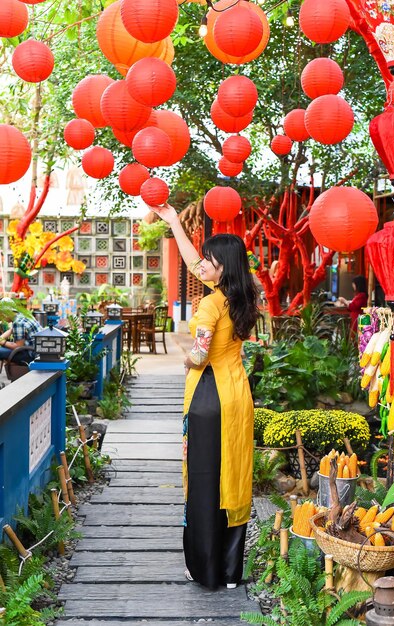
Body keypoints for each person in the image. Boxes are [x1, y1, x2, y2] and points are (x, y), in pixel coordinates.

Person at [147, 202, 258, 590]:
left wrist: (186, 362)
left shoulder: (211, 303)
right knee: (233, 478)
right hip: (237, 395)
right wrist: (174, 220)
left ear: (222, 266)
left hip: (209, 397)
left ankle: (202, 566)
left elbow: (199, 353)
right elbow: (193, 262)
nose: (202, 266)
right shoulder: (241, 295)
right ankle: (229, 572)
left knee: (204, 479)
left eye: (209, 260)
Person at [0, 299, 43, 365]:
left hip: (31, 354)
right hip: (38, 350)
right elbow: (11, 330)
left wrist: (3, 343)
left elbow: (18, 346)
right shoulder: (22, 315)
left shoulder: (18, 322)